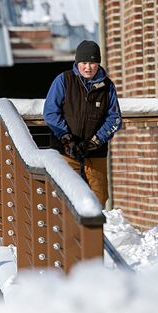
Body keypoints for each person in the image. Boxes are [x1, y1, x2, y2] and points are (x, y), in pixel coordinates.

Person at [43, 40, 122, 207]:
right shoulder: (64, 80)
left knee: (98, 197)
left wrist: (96, 141)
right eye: (84, 63)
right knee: (64, 197)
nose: (88, 67)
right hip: (66, 151)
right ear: (77, 62)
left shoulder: (108, 87)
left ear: (98, 63)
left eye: (92, 63)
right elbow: (50, 112)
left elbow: (114, 118)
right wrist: (66, 138)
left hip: (95, 152)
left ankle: (95, 233)